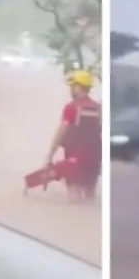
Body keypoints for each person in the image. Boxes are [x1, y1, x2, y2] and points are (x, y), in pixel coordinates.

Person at [46, 69, 102, 201]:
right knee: (89, 195)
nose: (70, 89)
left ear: (77, 87)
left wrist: (50, 154)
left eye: (72, 86)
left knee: (74, 196)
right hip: (94, 159)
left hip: (75, 158)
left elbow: (61, 131)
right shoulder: (98, 108)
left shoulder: (72, 107)